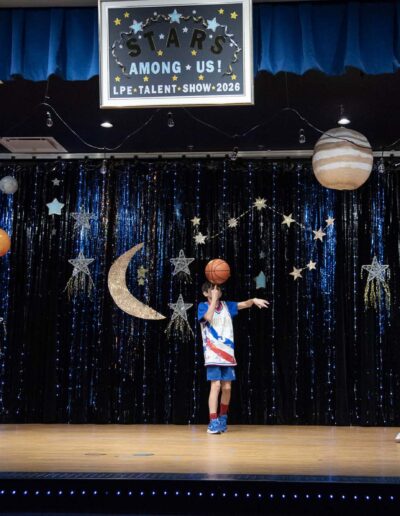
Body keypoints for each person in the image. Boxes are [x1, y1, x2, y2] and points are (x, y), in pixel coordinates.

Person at [197, 281, 269, 434]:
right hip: (212, 353)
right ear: (205, 293)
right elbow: (208, 317)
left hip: (228, 353)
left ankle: (223, 418)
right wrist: (214, 300)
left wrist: (253, 300)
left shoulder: (227, 306)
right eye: (212, 289)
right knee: (216, 386)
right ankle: (213, 421)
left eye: (218, 288)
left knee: (227, 387)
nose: (216, 291)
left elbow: (244, 304)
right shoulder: (203, 306)